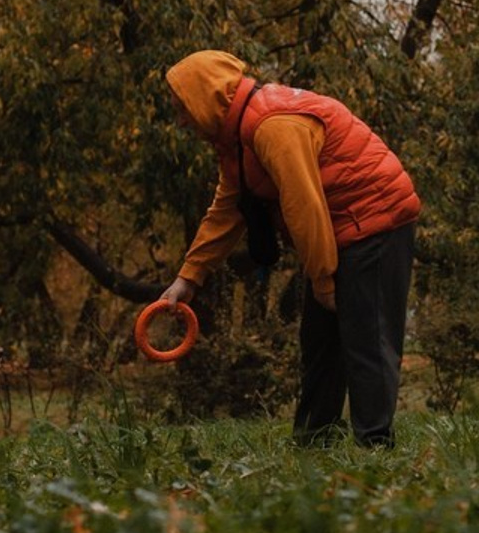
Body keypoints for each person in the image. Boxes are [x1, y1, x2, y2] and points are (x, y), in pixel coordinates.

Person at [160, 49, 420, 446]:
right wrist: (188, 279)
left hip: (376, 219)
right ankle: (314, 443)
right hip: (337, 230)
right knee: (319, 340)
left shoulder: (272, 126)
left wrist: (323, 279)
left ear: (207, 98)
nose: (180, 121)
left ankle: (375, 449)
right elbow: (227, 209)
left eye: (183, 109)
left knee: (366, 337)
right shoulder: (238, 139)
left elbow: (305, 209)